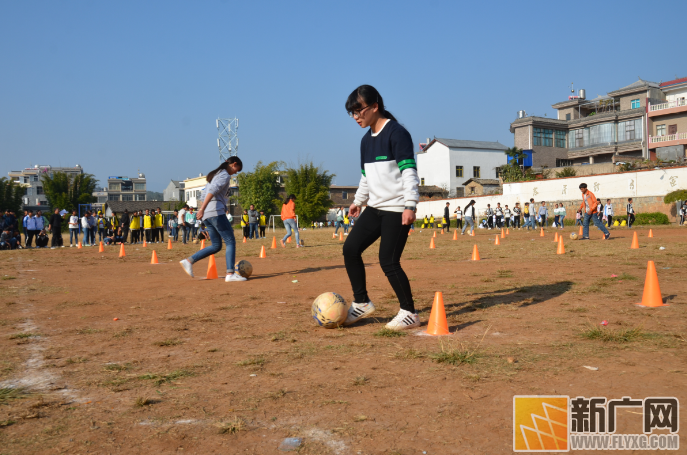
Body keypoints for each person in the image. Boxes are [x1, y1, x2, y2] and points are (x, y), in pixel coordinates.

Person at [342, 84, 420, 330]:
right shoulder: (366, 141)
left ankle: (409, 312)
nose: (356, 117)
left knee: (388, 261)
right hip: (374, 208)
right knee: (350, 249)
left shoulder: (397, 133)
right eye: (352, 113)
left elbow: (409, 172)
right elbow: (366, 177)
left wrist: (410, 205)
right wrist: (357, 201)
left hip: (397, 208)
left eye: (359, 111)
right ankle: (362, 302)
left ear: (375, 107)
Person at [179, 156, 245, 282]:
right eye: (237, 169)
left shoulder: (215, 175)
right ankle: (230, 274)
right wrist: (202, 209)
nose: (236, 172)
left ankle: (189, 261)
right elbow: (213, 191)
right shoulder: (224, 175)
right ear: (233, 164)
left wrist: (204, 210)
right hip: (214, 212)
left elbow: (204, 194)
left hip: (208, 214)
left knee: (216, 245)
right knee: (230, 240)